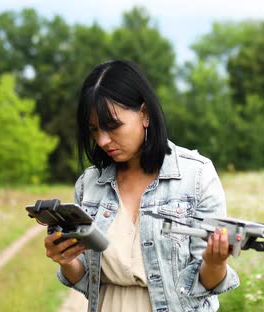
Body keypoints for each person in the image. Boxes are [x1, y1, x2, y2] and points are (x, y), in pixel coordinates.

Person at [44, 59, 240, 312]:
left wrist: (215, 263)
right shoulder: (89, 184)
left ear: (145, 114)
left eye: (112, 125)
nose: (102, 140)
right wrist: (66, 260)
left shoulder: (197, 176)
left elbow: (206, 283)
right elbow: (86, 279)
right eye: (94, 130)